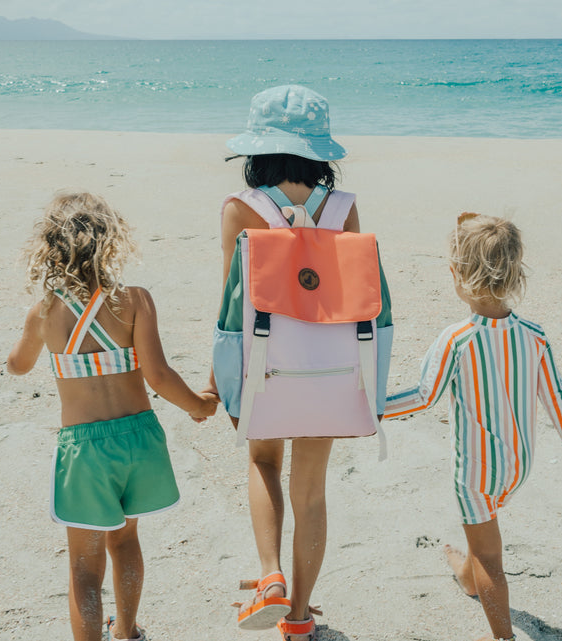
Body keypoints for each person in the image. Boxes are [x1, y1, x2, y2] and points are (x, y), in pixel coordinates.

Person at [7, 192, 218, 641]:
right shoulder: (135, 300)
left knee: (84, 565)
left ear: (50, 247)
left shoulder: (44, 312)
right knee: (125, 540)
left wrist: (40, 339)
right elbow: (158, 375)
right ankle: (126, 631)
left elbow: (17, 365)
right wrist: (198, 406)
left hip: (85, 447)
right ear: (110, 242)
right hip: (140, 438)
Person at [209, 85, 374, 641]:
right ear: (318, 150)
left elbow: (231, 300)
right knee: (312, 490)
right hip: (329, 366)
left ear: (258, 148)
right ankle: (300, 618)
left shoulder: (241, 209)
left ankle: (270, 576)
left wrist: (219, 373)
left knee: (262, 462)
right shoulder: (345, 208)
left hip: (265, 363)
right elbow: (354, 297)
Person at [384, 212, 562, 641]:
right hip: (519, 465)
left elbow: (424, 396)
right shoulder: (535, 335)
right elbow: (555, 395)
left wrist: (367, 411)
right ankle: (465, 573)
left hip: (477, 472)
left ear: (456, 275)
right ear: (516, 271)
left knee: (489, 558)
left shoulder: (457, 339)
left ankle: (502, 637)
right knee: (481, 539)